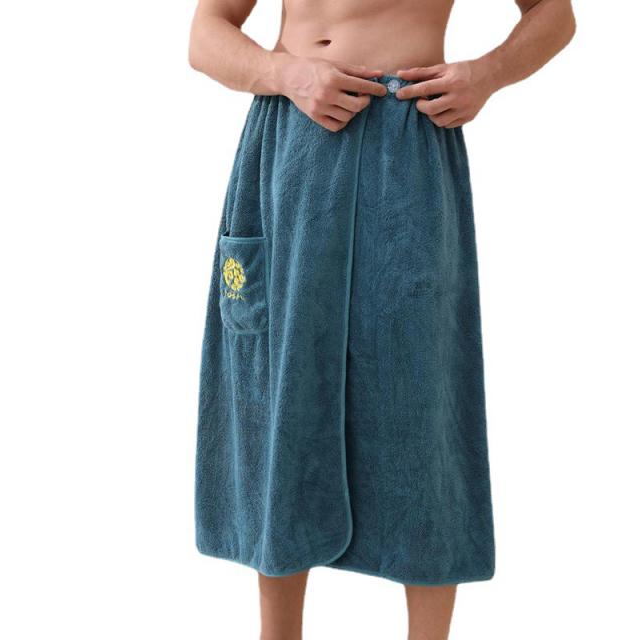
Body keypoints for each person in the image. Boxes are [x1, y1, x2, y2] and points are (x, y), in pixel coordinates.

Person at [189, 1, 575, 638]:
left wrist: (486, 74)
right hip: (289, 146)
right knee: (279, 386)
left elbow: (554, 15)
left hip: (408, 143)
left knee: (421, 391)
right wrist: (288, 74)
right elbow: (206, 36)